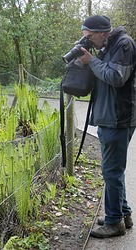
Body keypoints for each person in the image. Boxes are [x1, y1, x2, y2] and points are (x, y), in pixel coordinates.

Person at [78, 15, 136, 238]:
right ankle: (123, 214)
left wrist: (91, 61)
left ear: (102, 32)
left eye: (90, 37)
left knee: (111, 171)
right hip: (108, 117)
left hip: (118, 118)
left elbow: (115, 77)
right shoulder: (107, 46)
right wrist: (88, 59)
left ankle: (114, 223)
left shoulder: (124, 44)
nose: (89, 41)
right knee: (113, 171)